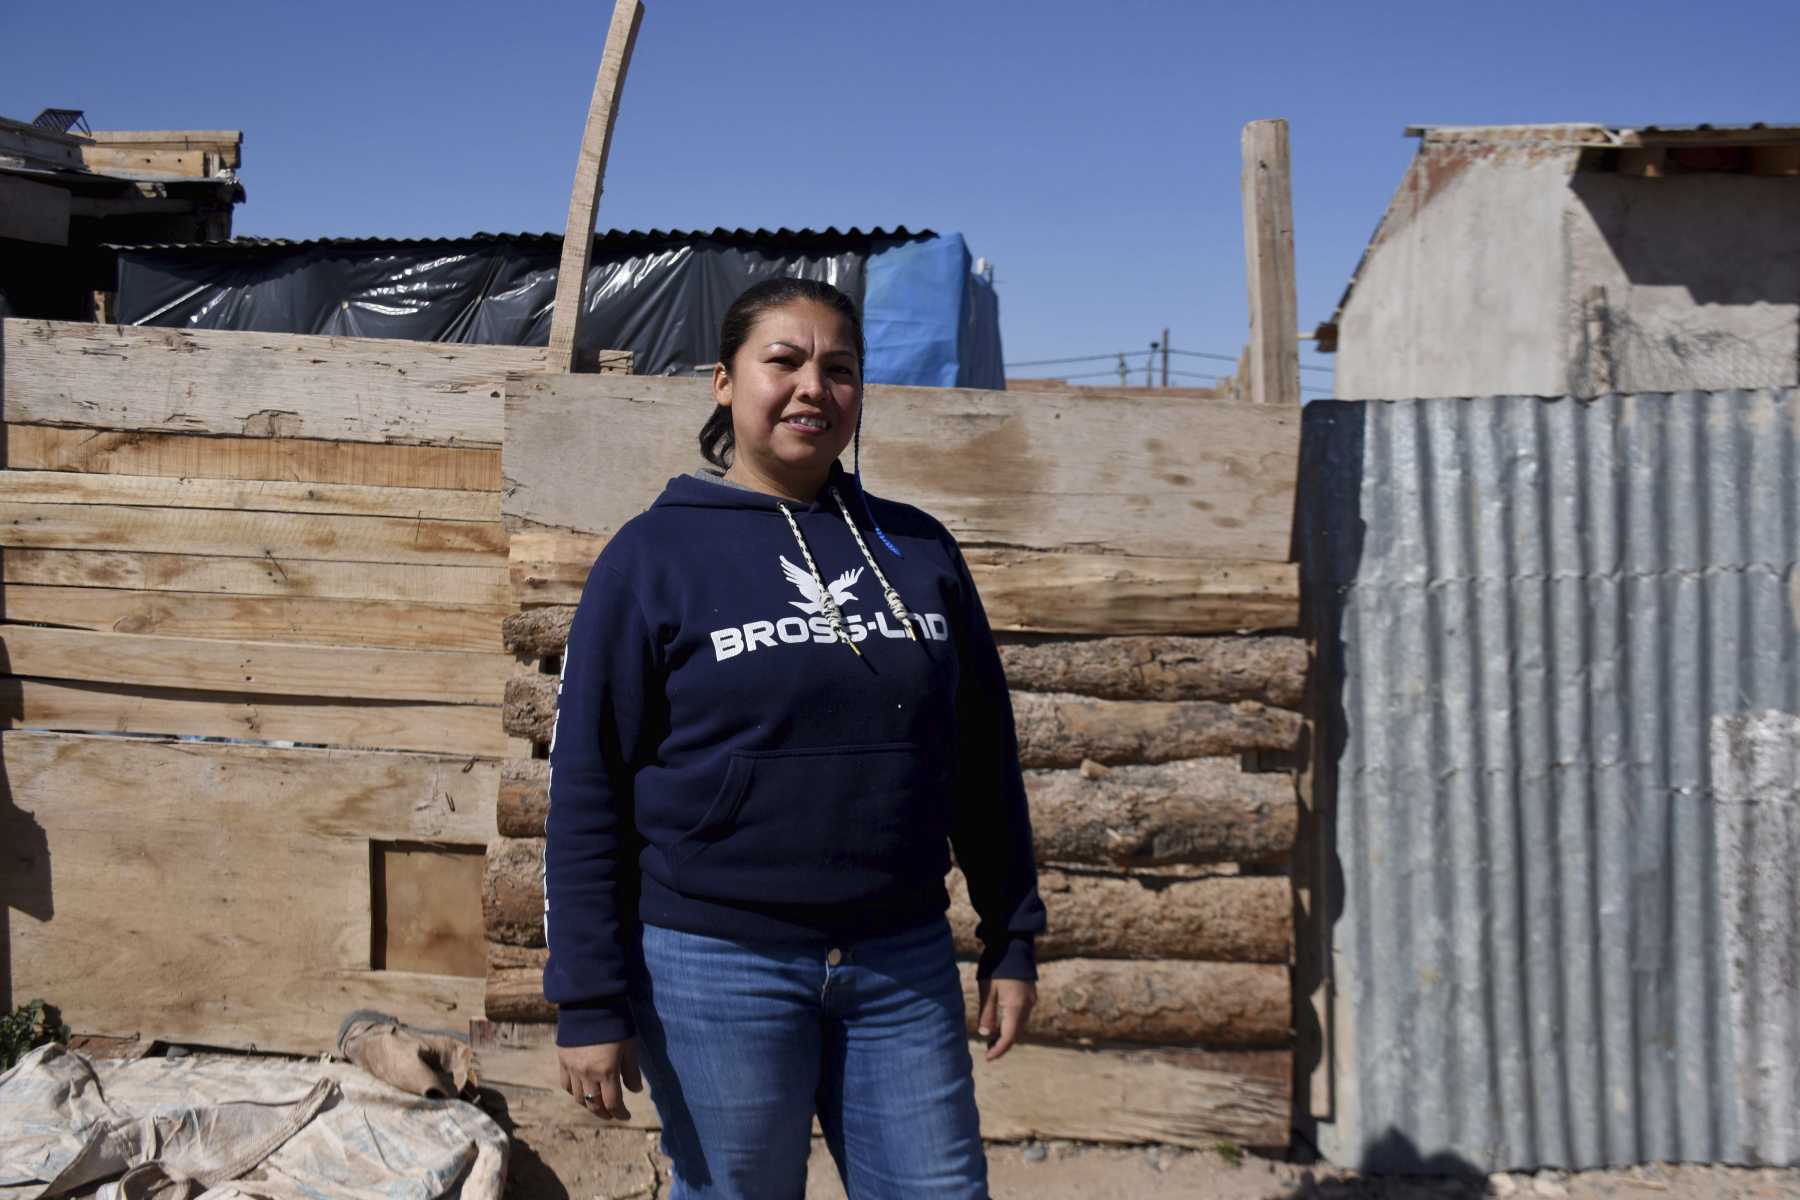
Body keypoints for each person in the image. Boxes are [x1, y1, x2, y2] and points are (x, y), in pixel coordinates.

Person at [543, 276, 1046, 1199]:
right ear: (725, 383)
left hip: (900, 958)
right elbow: (587, 787)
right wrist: (588, 995)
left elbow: (981, 759)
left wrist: (1010, 936)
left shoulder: (919, 549)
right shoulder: (653, 559)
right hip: (716, 964)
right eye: (784, 360)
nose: (814, 386)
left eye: (840, 368)